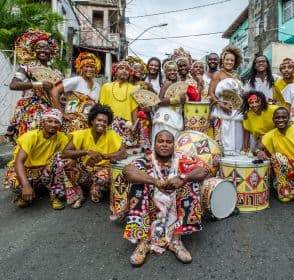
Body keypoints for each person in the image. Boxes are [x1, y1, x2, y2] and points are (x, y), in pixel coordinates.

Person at [122, 130, 209, 266]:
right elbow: (127, 171)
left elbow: (204, 170)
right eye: (160, 141)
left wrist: (183, 178)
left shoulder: (182, 158)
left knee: (190, 185)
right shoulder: (146, 160)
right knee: (137, 186)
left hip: (174, 204)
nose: (164, 145)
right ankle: (143, 241)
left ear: (174, 145)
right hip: (151, 207)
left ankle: (176, 240)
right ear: (154, 144)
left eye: (169, 142)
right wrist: (155, 182)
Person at [61, 104, 125, 207]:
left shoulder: (112, 135)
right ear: (92, 121)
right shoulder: (80, 134)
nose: (102, 123)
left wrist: (103, 156)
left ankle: (93, 188)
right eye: (99, 120)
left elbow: (123, 153)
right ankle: (77, 194)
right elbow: (64, 153)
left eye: (105, 122)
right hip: (84, 170)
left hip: (101, 172)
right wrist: (87, 151)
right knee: (65, 162)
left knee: (99, 189)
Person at [4, 109, 68, 209]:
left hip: (44, 171)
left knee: (60, 158)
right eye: (49, 121)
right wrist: (25, 185)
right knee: (15, 183)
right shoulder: (31, 136)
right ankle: (28, 192)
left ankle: (54, 195)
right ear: (42, 122)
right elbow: (18, 162)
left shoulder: (61, 137)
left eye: (56, 122)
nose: (53, 124)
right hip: (27, 170)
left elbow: (66, 155)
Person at [7, 29, 63, 140]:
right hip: (30, 110)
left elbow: (61, 95)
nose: (42, 50)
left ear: (51, 51)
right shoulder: (27, 67)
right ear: (34, 51)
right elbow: (13, 85)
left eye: (45, 47)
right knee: (28, 141)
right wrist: (39, 84)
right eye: (39, 47)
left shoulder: (57, 73)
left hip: (50, 112)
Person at [50, 52, 101, 133]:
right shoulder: (76, 80)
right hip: (73, 122)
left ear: (96, 69)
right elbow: (54, 91)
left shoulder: (98, 86)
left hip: (89, 124)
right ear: (81, 68)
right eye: (86, 67)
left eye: (92, 67)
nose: (89, 69)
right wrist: (61, 113)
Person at [209, 45, 244, 152]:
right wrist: (221, 105)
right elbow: (210, 93)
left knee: (237, 141)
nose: (229, 62)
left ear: (235, 62)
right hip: (221, 113)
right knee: (223, 143)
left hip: (236, 114)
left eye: (232, 60)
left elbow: (240, 95)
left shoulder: (237, 77)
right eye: (227, 59)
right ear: (223, 61)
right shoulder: (218, 74)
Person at [99, 60, 138, 146]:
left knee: (123, 154)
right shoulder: (106, 87)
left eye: (127, 69)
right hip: (108, 124)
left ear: (129, 73)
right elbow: (101, 108)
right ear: (115, 72)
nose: (124, 70)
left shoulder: (134, 89)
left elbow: (134, 110)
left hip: (126, 126)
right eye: (121, 68)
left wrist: (134, 129)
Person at [152, 60, 185, 140]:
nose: (172, 72)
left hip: (176, 113)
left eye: (174, 70)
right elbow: (159, 101)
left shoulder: (179, 83)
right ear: (165, 73)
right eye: (169, 70)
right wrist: (178, 100)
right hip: (165, 115)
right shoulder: (167, 83)